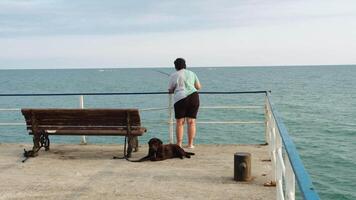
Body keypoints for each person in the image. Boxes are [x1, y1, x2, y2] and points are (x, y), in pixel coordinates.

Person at [168, 58, 201, 148]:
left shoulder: (173, 75)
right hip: (193, 97)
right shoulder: (192, 73)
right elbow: (198, 87)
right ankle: (190, 144)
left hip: (180, 99)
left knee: (180, 122)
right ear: (185, 65)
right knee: (191, 122)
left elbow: (170, 90)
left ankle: (179, 144)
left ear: (175, 66)